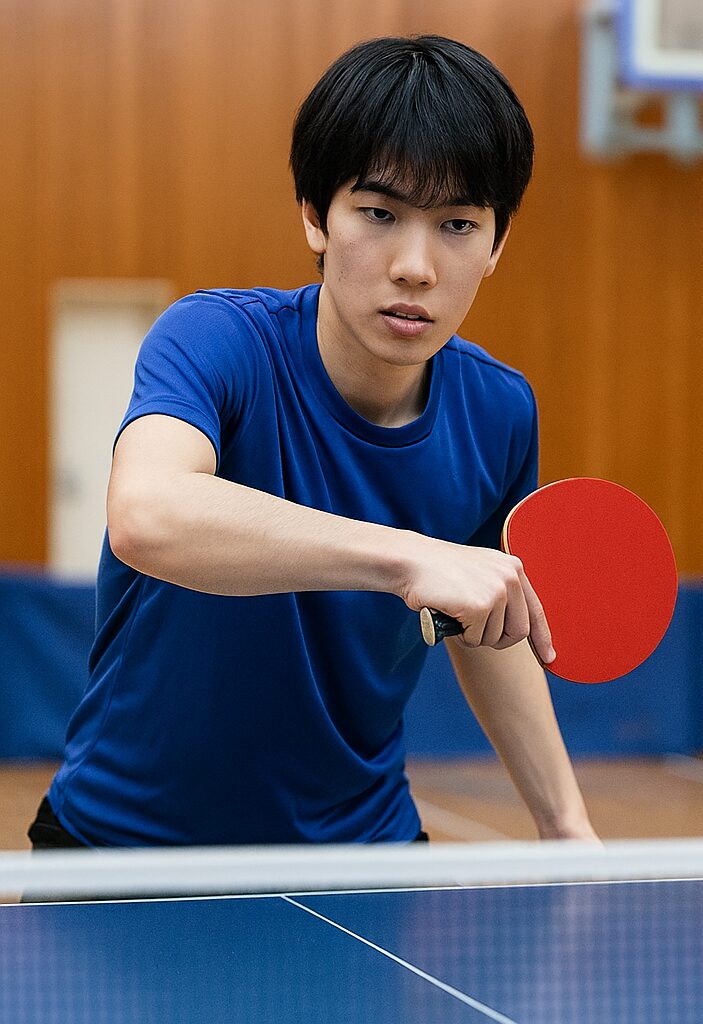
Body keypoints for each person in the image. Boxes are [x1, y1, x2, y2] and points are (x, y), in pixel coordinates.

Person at [29, 35, 597, 848]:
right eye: (378, 213)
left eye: (459, 225)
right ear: (314, 217)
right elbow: (148, 514)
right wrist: (407, 555)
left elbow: (489, 616)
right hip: (127, 849)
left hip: (362, 856)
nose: (416, 266)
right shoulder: (216, 341)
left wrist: (565, 823)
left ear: (498, 243)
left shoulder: (501, 410)